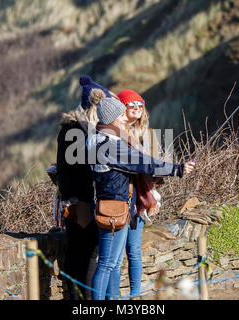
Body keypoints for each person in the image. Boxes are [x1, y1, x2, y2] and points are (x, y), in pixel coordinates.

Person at [86, 97, 195, 300]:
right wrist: (177, 169)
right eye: (120, 115)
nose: (123, 118)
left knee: (111, 262)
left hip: (113, 206)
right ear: (110, 119)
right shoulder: (110, 146)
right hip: (114, 209)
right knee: (107, 264)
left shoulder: (100, 138)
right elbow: (143, 163)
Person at [56, 75, 112, 300]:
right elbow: (66, 170)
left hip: (87, 200)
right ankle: (81, 300)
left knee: (86, 254)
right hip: (81, 201)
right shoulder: (75, 131)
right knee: (82, 254)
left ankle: (83, 299)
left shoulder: (86, 130)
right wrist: (74, 201)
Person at [106, 89, 160, 299]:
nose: (137, 107)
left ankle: (135, 295)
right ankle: (114, 297)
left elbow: (154, 169)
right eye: (131, 104)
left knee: (134, 251)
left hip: (139, 198)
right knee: (116, 257)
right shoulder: (114, 133)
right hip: (118, 198)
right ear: (122, 109)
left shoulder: (146, 134)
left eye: (140, 104)